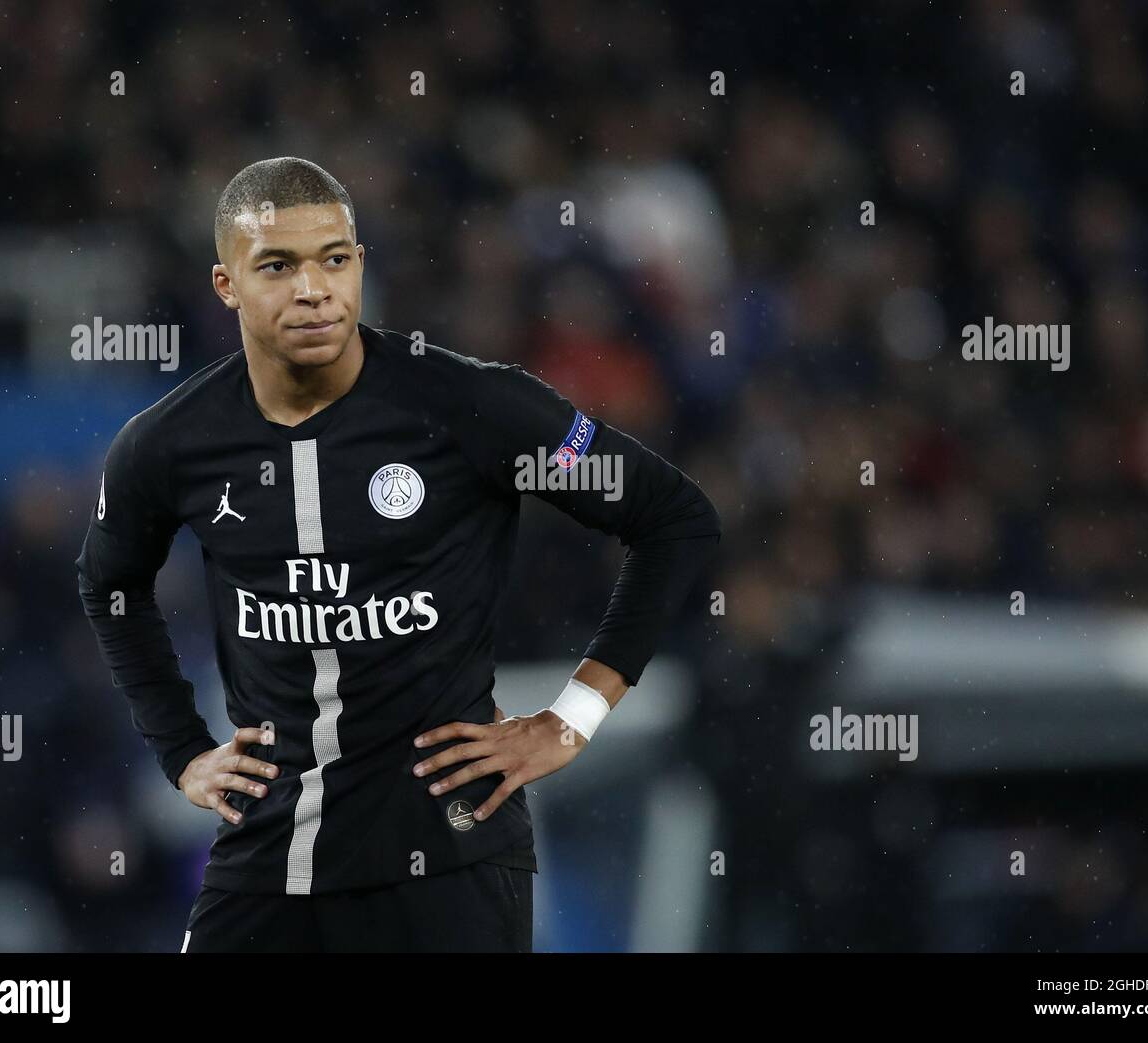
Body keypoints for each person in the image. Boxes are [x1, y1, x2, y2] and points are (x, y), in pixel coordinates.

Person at [75, 156, 721, 952]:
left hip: (451, 860)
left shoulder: (470, 405)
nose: (314, 289)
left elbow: (674, 517)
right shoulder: (170, 444)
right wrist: (182, 751)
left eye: (334, 260)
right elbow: (109, 584)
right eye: (278, 266)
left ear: (359, 267)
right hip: (268, 860)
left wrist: (571, 718)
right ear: (226, 286)